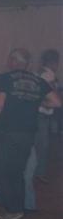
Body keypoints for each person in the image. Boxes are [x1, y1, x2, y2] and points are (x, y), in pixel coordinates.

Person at [0, 48, 60, 219]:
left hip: (6, 131)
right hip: (27, 133)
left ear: (13, 61)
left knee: (0, 171)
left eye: (9, 59)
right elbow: (57, 102)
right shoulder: (38, 80)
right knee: (17, 172)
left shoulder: (6, 78)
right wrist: (37, 101)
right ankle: (18, 211)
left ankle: (11, 210)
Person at [33, 49, 60, 182]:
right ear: (53, 62)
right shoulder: (47, 75)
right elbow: (50, 97)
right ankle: (38, 173)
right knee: (42, 146)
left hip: (39, 114)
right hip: (41, 114)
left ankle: (35, 172)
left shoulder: (38, 73)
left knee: (37, 145)